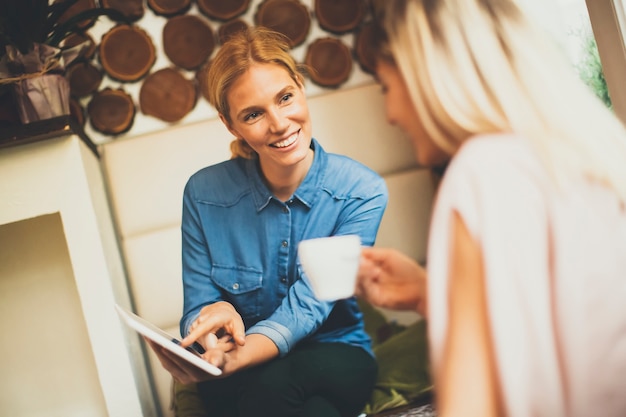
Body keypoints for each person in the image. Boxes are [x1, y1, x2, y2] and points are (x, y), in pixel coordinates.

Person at [356, 0, 626, 416]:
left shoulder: (482, 170)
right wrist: (433, 293)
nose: (390, 114)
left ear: (424, 75)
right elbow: (559, 325)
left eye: (386, 88)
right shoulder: (590, 153)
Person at [146, 27, 388, 417]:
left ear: (301, 86)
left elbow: (308, 308)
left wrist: (234, 361)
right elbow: (199, 302)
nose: (278, 124)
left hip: (334, 352)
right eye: (254, 114)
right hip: (237, 366)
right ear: (230, 125)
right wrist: (214, 319)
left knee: (270, 387)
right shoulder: (203, 194)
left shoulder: (361, 192)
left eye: (285, 98)